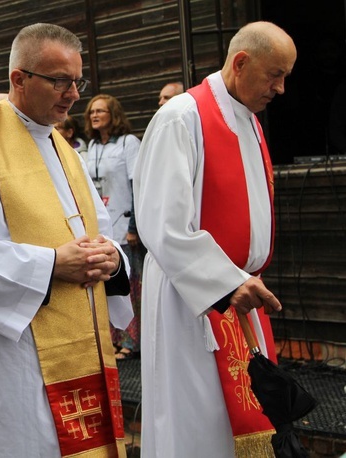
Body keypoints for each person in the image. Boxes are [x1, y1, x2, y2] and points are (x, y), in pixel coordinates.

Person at [0, 23, 133, 457]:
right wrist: (52, 263)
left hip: (81, 348)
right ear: (19, 79)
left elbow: (101, 231)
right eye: (59, 80)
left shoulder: (65, 150)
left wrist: (111, 259)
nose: (73, 93)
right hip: (13, 354)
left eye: (78, 80)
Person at [134, 21, 294, 457]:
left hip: (239, 294)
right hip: (194, 299)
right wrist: (226, 281)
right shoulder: (181, 117)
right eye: (274, 74)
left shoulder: (249, 120)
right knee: (196, 423)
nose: (280, 88)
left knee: (245, 421)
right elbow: (162, 222)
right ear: (241, 63)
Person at [82, 94, 141, 359]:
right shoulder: (92, 146)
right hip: (104, 229)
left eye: (101, 111)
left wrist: (134, 226)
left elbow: (137, 186)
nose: (95, 115)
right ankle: (114, 340)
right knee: (108, 287)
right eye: (92, 111)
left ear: (113, 114)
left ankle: (132, 342)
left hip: (125, 225)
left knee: (130, 287)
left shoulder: (128, 143)